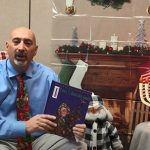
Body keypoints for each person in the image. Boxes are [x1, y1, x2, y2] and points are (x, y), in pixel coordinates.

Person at [0, 27, 87, 150]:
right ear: (7, 47)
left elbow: (62, 117)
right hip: (4, 140)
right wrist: (25, 126)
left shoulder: (49, 76)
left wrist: (75, 129)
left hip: (39, 139)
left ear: (35, 51)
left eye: (27, 43)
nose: (21, 47)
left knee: (77, 146)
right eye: (16, 41)